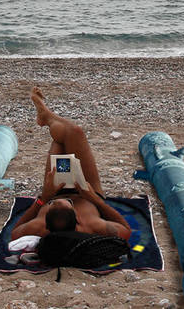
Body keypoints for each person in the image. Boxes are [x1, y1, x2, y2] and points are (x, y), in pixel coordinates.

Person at [10, 88, 131, 242]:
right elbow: (126, 230)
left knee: (59, 140)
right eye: (69, 204)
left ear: (46, 224)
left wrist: (45, 198)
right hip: (87, 192)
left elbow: (14, 234)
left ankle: (46, 117)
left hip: (54, 190)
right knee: (74, 132)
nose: (68, 200)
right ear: (78, 220)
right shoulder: (93, 226)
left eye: (53, 204)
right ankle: (47, 117)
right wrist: (94, 199)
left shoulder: (38, 227)